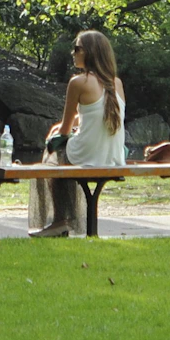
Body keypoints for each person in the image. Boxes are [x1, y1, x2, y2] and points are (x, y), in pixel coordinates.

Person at [30, 29, 126, 238]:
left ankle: (59, 221)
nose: (72, 53)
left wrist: (58, 131)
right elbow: (96, 115)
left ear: (90, 52)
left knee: (52, 154)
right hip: (113, 158)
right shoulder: (116, 83)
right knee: (64, 154)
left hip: (89, 156)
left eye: (77, 49)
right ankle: (66, 220)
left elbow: (64, 131)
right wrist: (71, 125)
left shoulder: (78, 82)